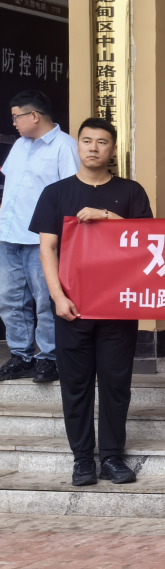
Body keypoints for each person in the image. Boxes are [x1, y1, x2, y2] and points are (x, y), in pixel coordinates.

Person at [33, 118, 151, 486]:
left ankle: (112, 457)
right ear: (78, 146)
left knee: (116, 384)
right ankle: (83, 460)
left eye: (102, 142)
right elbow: (47, 249)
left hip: (118, 305)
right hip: (72, 307)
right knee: (76, 385)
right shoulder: (56, 193)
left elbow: (147, 242)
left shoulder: (131, 192)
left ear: (112, 150)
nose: (93, 147)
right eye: (87, 141)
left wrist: (108, 217)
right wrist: (57, 297)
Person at [0, 90, 78, 384]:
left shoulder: (65, 147)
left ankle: (50, 358)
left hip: (42, 240)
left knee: (46, 300)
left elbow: (71, 195)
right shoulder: (20, 146)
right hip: (9, 235)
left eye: (16, 117)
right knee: (10, 300)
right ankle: (21, 356)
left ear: (33, 116)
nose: (14, 123)